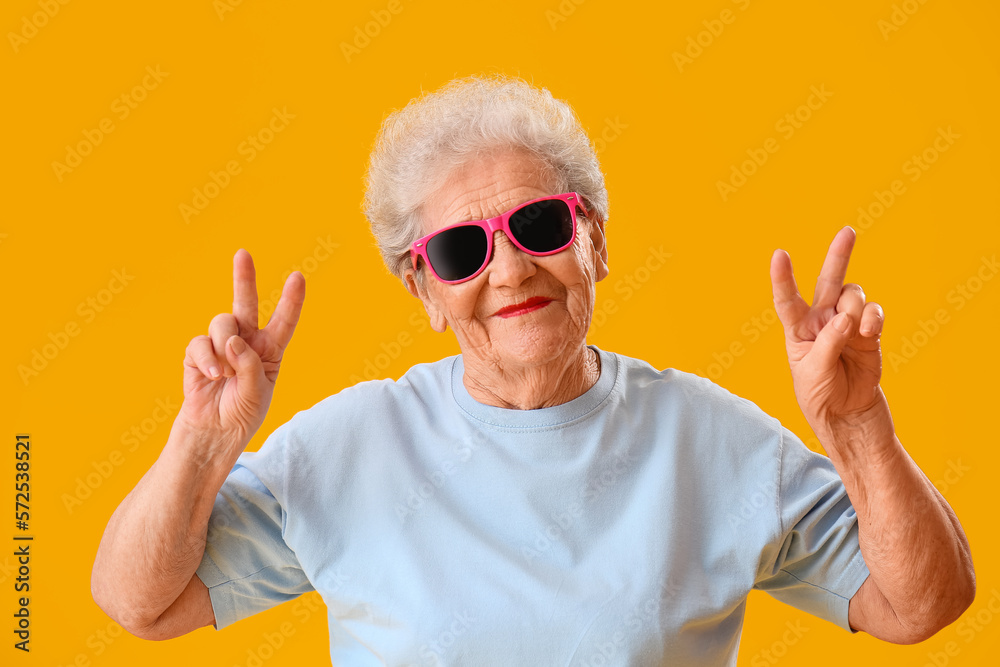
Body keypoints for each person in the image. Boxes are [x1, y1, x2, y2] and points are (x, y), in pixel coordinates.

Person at [91, 74, 975, 665]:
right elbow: (143, 601)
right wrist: (204, 445)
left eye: (541, 227)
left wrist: (860, 428)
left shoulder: (713, 439)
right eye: (463, 247)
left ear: (593, 239)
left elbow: (921, 603)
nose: (510, 271)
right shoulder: (350, 445)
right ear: (424, 286)